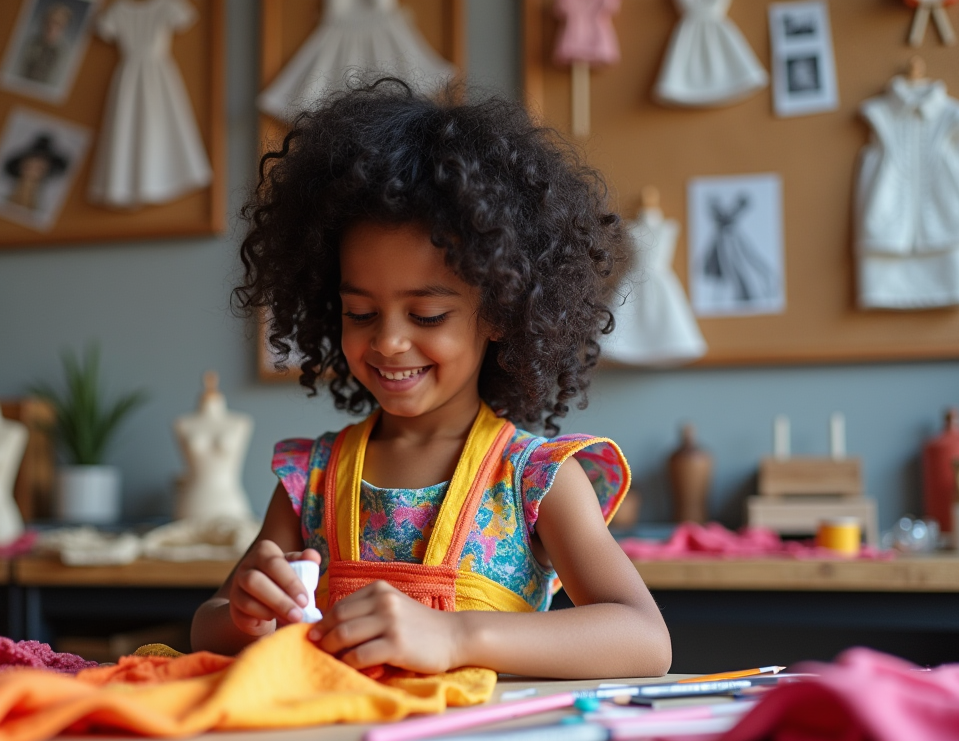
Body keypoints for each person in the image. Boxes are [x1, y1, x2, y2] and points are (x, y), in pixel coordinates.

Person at [190, 78, 671, 679]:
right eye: (360, 313)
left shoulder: (536, 479)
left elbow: (645, 639)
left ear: (498, 311)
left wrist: (455, 635)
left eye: (427, 315)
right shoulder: (310, 478)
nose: (388, 341)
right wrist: (245, 612)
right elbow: (206, 625)